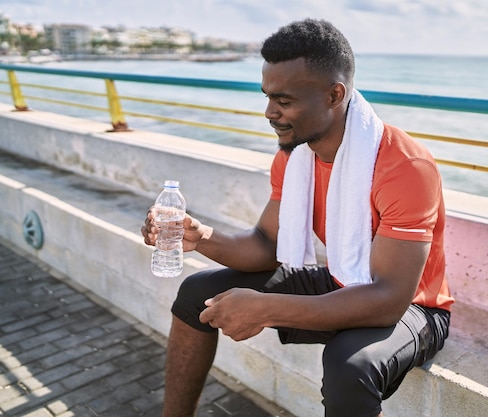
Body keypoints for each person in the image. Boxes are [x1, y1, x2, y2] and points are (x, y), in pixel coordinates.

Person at [141, 18, 453, 417]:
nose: (270, 112)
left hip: (415, 306)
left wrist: (266, 307)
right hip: (341, 278)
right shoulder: (294, 156)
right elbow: (266, 245)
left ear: (334, 95)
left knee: (350, 366)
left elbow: (389, 298)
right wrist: (200, 237)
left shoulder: (404, 166)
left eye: (284, 101)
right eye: (267, 97)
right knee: (195, 292)